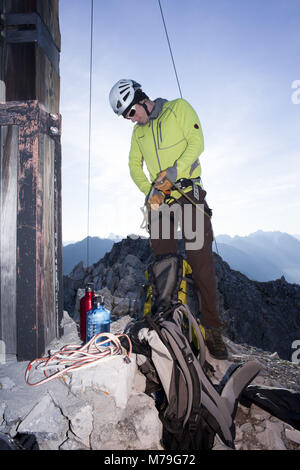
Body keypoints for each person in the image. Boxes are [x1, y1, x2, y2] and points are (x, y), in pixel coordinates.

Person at [109, 79, 228, 360]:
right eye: (126, 117)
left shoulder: (178, 109)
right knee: (164, 262)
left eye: (131, 112)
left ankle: (211, 327)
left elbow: (197, 142)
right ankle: (167, 320)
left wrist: (176, 172)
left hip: (188, 194)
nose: (131, 120)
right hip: (161, 201)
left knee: (201, 263)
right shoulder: (138, 135)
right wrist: (150, 190)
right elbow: (132, 166)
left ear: (140, 98)